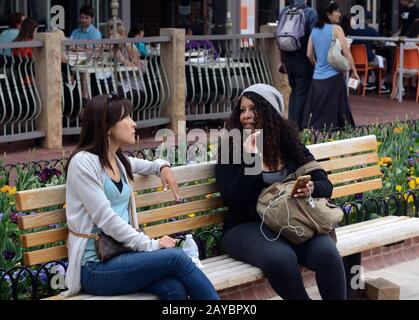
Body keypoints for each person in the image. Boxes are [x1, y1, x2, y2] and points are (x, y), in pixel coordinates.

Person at [63, 93, 219, 300]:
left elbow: (150, 165)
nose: (134, 123)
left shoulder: (117, 160)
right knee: (176, 259)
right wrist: (151, 245)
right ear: (106, 127)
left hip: (123, 256)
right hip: (95, 268)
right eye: (126, 117)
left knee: (174, 289)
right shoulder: (83, 163)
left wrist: (163, 166)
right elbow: (107, 220)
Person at [215, 83, 346, 300]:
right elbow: (233, 199)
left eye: (253, 109)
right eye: (242, 109)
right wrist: (252, 160)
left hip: (291, 220)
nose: (246, 115)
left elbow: (326, 185)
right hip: (246, 225)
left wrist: (311, 188)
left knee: (327, 254)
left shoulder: (289, 145)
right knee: (281, 259)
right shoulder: (232, 146)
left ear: (269, 112)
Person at [303, 1, 358, 130]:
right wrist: (354, 71)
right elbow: (346, 51)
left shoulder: (314, 30)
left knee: (316, 114)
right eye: (336, 11)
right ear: (329, 14)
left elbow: (309, 54)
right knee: (339, 113)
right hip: (334, 78)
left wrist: (318, 66)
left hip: (317, 78)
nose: (339, 14)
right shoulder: (336, 29)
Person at [277, 0, 318, 130]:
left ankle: (291, 124)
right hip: (303, 58)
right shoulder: (310, 13)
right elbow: (314, 36)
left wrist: (282, 61)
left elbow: (279, 36)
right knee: (302, 93)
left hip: (288, 58)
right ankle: (296, 127)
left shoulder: (284, 11)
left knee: (294, 91)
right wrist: (313, 58)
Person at [346, 12, 390, 94]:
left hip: (353, 60)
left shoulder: (350, 30)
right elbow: (382, 41)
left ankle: (363, 84)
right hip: (368, 60)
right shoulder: (370, 30)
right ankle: (381, 86)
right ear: (367, 20)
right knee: (383, 61)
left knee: (364, 62)